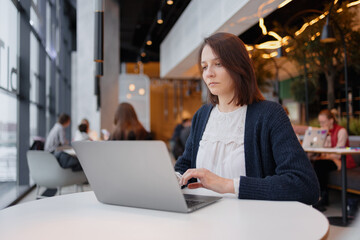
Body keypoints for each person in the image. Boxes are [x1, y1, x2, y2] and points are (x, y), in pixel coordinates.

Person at [175, 32, 319, 205]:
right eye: (204, 67)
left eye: (218, 64)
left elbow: (304, 185)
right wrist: (174, 179)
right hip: (203, 220)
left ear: (239, 67)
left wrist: (227, 185)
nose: (209, 74)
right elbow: (185, 165)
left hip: (250, 223)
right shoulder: (202, 115)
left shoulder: (269, 114)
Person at [311, 109, 356, 210]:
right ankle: (320, 196)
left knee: (320, 164)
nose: (321, 124)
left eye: (323, 122)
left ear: (331, 120)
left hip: (342, 161)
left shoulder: (341, 131)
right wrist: (323, 136)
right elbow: (321, 151)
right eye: (320, 122)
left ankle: (322, 197)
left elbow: (338, 153)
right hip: (330, 160)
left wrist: (324, 155)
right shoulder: (324, 133)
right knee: (316, 164)